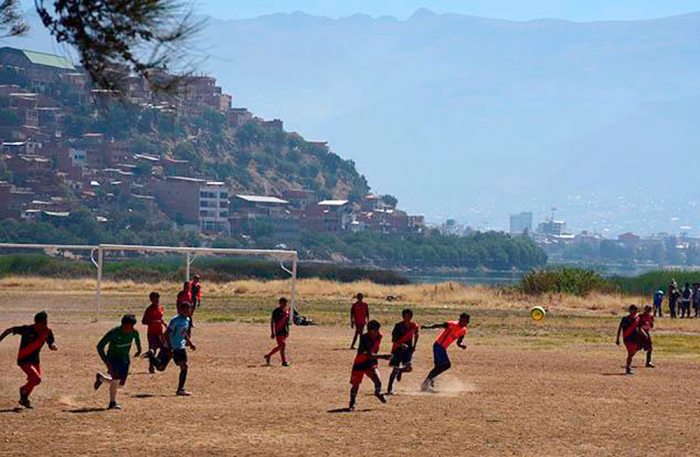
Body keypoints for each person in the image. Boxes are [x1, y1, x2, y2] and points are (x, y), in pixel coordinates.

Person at [0, 311, 57, 409]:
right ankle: (23, 391)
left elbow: (51, 342)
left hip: (35, 360)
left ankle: (24, 398)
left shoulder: (47, 331)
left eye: (46, 322)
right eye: (43, 323)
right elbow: (9, 330)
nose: (45, 325)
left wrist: (52, 346)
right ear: (37, 323)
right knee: (36, 379)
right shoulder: (27, 329)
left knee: (34, 380)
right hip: (24, 359)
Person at [144, 302, 197, 396]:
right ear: (181, 310)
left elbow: (183, 333)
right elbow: (166, 334)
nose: (188, 311)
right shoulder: (175, 320)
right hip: (171, 347)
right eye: (186, 309)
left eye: (189, 309)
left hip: (180, 347)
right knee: (161, 368)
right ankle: (151, 356)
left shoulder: (187, 320)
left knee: (183, 366)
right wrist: (169, 347)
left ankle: (180, 389)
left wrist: (190, 343)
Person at [94, 314, 142, 410]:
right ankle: (112, 402)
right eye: (129, 326)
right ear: (123, 325)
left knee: (120, 385)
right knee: (116, 379)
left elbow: (137, 340)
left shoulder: (134, 332)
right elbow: (100, 346)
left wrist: (139, 349)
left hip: (124, 359)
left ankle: (101, 378)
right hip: (113, 358)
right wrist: (106, 361)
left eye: (132, 326)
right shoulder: (114, 332)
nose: (131, 329)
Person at [420, 313, 469, 392]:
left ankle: (428, 383)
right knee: (446, 365)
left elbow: (459, 342)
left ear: (467, 322)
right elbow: (438, 325)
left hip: (442, 348)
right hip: (438, 346)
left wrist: (461, 345)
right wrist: (427, 327)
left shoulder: (463, 330)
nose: (462, 322)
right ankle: (427, 382)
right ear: (459, 319)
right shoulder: (452, 324)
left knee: (438, 367)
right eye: (461, 320)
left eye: (465, 321)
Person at [348, 320, 390, 411]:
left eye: (378, 330)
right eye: (374, 331)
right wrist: (383, 356)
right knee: (355, 385)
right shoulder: (364, 338)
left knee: (378, 381)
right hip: (360, 363)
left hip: (371, 363)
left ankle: (377, 393)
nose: (377, 332)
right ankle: (352, 402)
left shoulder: (379, 336)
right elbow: (368, 355)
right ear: (369, 331)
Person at [386, 309, 419, 395]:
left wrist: (414, 346)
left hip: (407, 350)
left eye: (409, 316)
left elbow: (416, 334)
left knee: (409, 368)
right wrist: (401, 345)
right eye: (406, 316)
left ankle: (400, 371)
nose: (407, 318)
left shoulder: (414, 325)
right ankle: (389, 389)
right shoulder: (398, 326)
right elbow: (393, 339)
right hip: (397, 350)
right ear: (403, 317)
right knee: (394, 370)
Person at [141, 291, 166, 374]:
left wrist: (164, 324)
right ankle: (151, 367)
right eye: (154, 298)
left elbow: (161, 318)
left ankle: (157, 362)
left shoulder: (161, 308)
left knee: (163, 348)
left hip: (160, 332)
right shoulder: (149, 309)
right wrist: (152, 322)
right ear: (151, 299)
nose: (156, 300)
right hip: (152, 333)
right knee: (153, 350)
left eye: (157, 298)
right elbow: (143, 321)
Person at [264, 297, 291, 367]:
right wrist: (272, 332)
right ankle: (268, 355)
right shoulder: (276, 311)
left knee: (282, 347)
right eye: (283, 303)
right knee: (282, 345)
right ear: (280, 303)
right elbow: (272, 322)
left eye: (285, 303)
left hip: (284, 330)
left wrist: (288, 331)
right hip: (278, 330)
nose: (285, 304)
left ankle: (283, 361)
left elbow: (287, 322)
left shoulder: (286, 311)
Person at [616, 305, 641, 375]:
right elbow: (620, 328)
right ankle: (628, 368)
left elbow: (639, 328)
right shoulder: (625, 319)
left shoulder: (637, 319)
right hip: (627, 338)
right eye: (633, 310)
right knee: (630, 352)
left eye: (635, 310)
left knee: (632, 352)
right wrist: (618, 338)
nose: (634, 312)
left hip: (635, 338)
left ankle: (628, 366)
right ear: (630, 311)